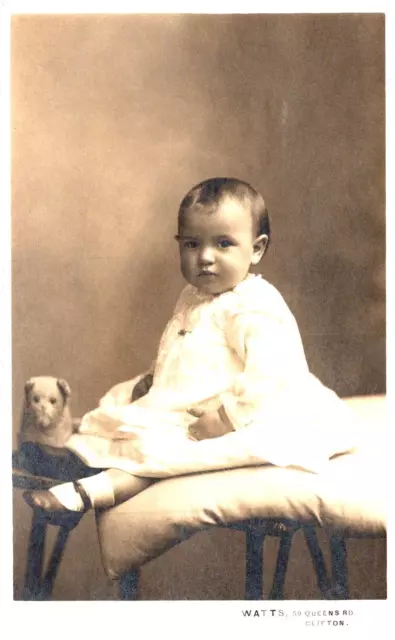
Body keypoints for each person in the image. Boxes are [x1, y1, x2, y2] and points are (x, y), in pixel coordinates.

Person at [24, 177, 358, 517]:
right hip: (191, 396)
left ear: (256, 249)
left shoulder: (254, 305)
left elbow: (272, 374)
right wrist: (156, 380)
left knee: (165, 452)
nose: (206, 257)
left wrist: (228, 417)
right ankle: (74, 454)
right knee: (124, 404)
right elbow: (184, 350)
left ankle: (89, 491)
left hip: (245, 410)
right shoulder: (194, 296)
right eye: (192, 244)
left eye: (224, 244)